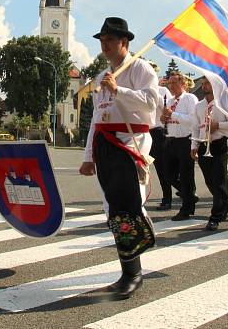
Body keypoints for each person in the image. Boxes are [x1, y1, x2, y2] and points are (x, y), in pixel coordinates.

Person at [79, 17, 158, 299]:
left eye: (110, 40)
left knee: (125, 205)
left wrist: (119, 90)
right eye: (102, 41)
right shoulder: (101, 76)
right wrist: (89, 155)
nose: (105, 45)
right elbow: (96, 120)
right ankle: (129, 265)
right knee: (111, 209)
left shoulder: (141, 68)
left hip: (130, 141)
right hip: (105, 143)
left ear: (124, 42)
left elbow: (152, 104)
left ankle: (132, 273)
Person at [189, 78, 228, 230]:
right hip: (204, 145)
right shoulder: (199, 106)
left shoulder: (224, 103)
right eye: (203, 84)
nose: (204, 86)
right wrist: (194, 145)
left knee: (219, 181)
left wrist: (219, 125)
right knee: (210, 181)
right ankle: (225, 204)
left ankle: (215, 217)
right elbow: (196, 127)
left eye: (207, 83)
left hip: (218, 144)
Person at [160, 71, 198, 220]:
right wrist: (164, 118)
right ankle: (189, 195)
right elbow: (167, 119)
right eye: (169, 83)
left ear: (183, 84)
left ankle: (186, 209)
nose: (171, 86)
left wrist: (172, 115)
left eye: (174, 83)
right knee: (168, 174)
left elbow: (193, 120)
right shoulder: (170, 101)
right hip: (171, 140)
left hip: (185, 140)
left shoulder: (190, 98)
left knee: (186, 175)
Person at [149, 67, 175, 210]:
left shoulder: (163, 91)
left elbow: (167, 109)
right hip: (144, 132)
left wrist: (154, 91)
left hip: (159, 131)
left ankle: (169, 197)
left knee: (163, 167)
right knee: (155, 168)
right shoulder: (140, 90)